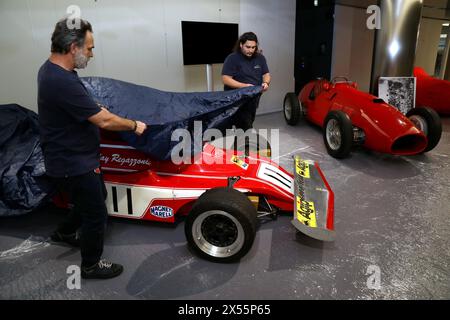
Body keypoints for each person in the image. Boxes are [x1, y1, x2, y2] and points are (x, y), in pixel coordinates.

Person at [38, 17, 147, 280]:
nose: (91, 54)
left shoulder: (52, 69)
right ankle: (90, 265)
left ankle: (64, 232)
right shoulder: (60, 80)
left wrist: (93, 105)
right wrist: (134, 125)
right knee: (97, 214)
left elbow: (78, 104)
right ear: (73, 47)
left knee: (92, 197)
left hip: (70, 157)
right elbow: (104, 121)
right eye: (89, 48)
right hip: (73, 162)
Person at [222, 32, 271, 130]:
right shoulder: (232, 58)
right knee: (241, 126)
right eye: (248, 47)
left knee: (247, 123)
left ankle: (243, 140)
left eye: (253, 47)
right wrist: (244, 86)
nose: (251, 50)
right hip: (236, 99)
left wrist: (266, 83)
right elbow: (226, 79)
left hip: (253, 98)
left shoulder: (260, 58)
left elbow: (266, 74)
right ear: (241, 45)